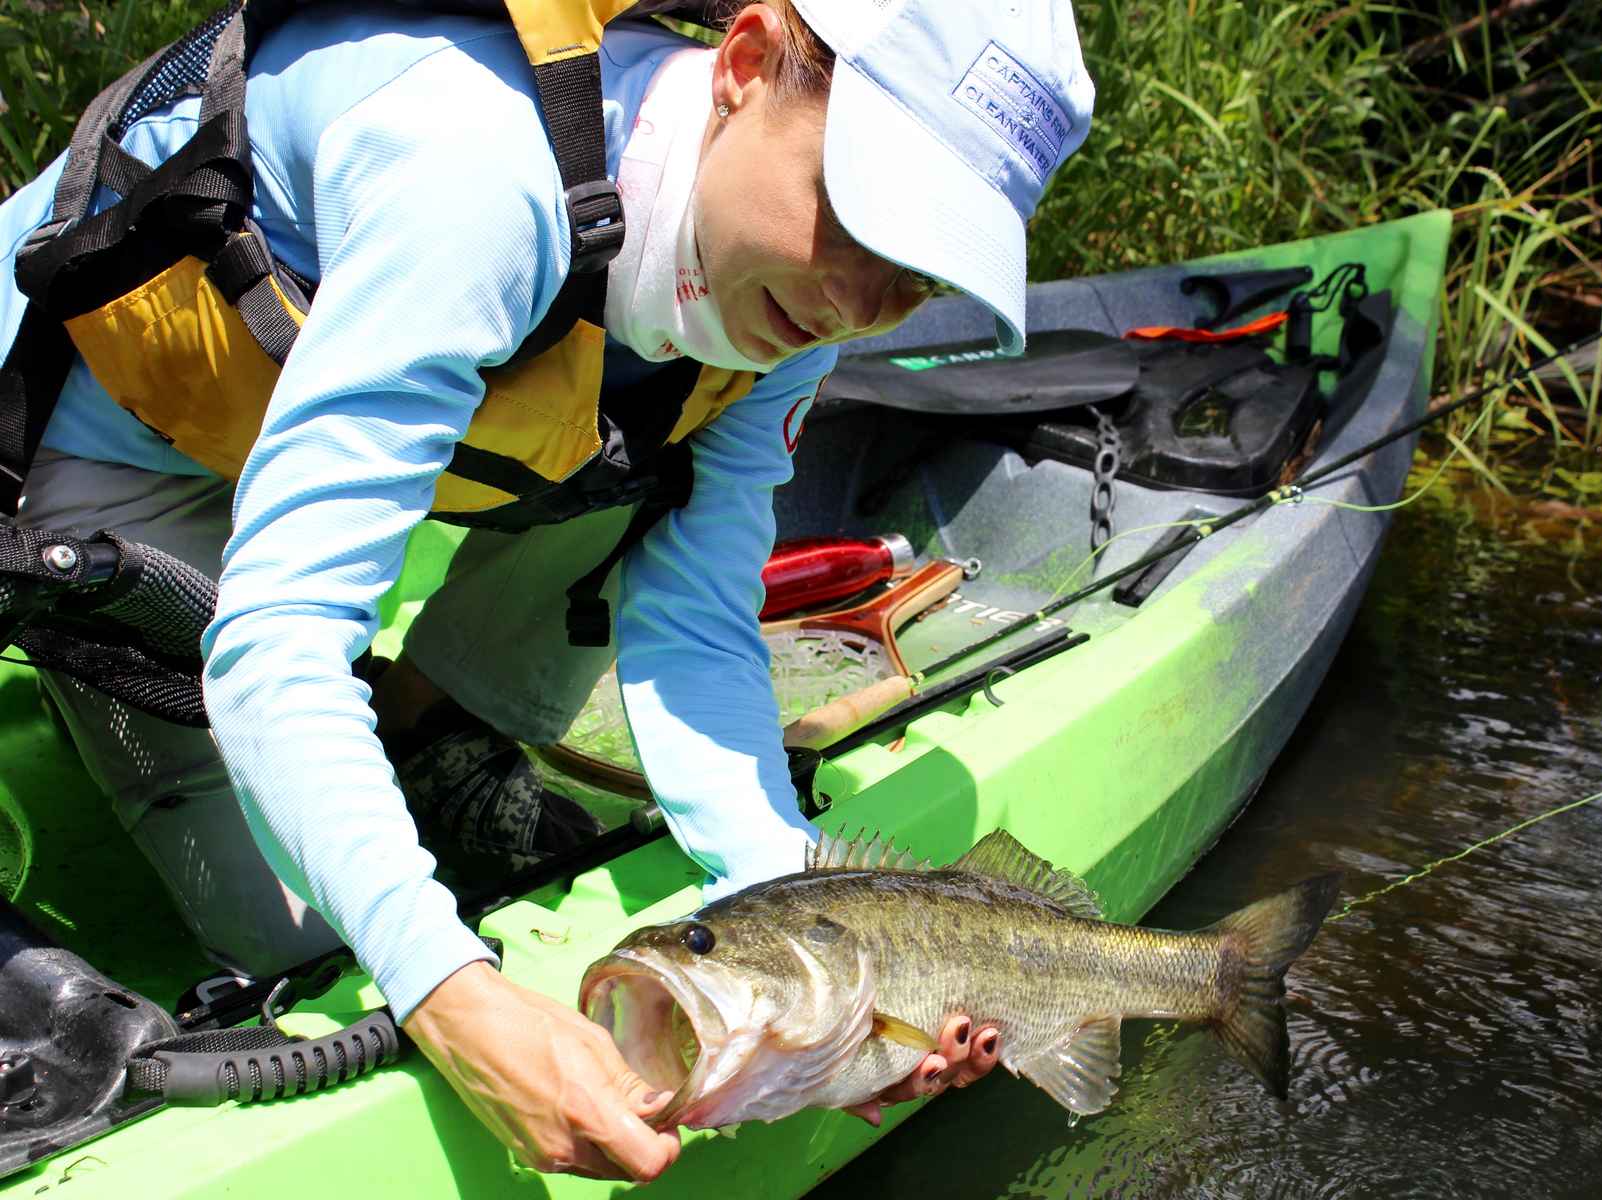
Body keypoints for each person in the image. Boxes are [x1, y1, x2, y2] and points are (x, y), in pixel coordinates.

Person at [0, 0, 1093, 1181]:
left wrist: (811, 944)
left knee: (654, 450)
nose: (863, 302)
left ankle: (435, 742)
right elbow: (278, 637)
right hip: (116, 453)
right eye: (860, 216)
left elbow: (697, 612)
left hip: (318, 407)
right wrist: (452, 998)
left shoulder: (796, 303)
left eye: (922, 275)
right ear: (746, 62)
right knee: (303, 944)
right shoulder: (474, 174)